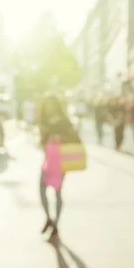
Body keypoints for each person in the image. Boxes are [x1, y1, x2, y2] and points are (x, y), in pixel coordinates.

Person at [38, 94, 80, 238]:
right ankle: (49, 218)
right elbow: (41, 142)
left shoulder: (64, 121)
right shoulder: (43, 121)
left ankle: (56, 223)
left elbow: (75, 138)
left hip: (61, 161)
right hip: (48, 160)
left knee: (57, 192)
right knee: (42, 190)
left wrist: (60, 136)